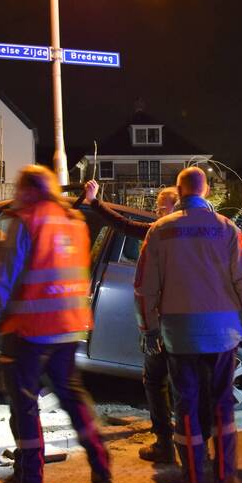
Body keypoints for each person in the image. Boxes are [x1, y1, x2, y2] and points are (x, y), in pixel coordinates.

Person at [134, 167, 242, 483]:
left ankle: (191, 478)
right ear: (205, 192)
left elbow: (145, 288)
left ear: (179, 192)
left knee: (186, 405)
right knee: (223, 406)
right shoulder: (228, 229)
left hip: (180, 334)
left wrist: (149, 329)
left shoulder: (160, 232)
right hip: (223, 335)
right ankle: (225, 477)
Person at [0, 165, 111, 483]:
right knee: (72, 397)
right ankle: (101, 463)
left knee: (24, 404)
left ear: (29, 189)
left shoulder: (27, 220)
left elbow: (7, 276)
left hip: (30, 330)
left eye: (19, 187)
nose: (16, 192)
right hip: (69, 327)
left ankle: (29, 479)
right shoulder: (73, 222)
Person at [83, 179, 184, 464]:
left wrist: (94, 202)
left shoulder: (160, 233)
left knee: (156, 380)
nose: (156, 213)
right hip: (189, 325)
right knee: (185, 383)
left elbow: (125, 228)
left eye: (160, 207)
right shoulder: (199, 234)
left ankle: (165, 443)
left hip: (165, 324)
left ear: (173, 206)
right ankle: (193, 449)